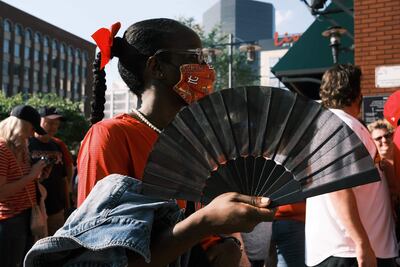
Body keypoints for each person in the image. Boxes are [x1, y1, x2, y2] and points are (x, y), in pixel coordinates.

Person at [58, 18, 274, 266]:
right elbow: (104, 255)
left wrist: (222, 243)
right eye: (195, 58)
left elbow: (187, 222)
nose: (206, 68)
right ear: (157, 67)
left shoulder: (188, 140)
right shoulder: (110, 136)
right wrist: (207, 221)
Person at [305, 64, 398, 267]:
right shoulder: (339, 125)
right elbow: (338, 187)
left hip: (355, 250)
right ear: (356, 94)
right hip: (349, 252)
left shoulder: (338, 124)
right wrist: (361, 242)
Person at [0, 105, 47, 267]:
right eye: (32, 128)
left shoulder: (21, 148)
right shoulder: (2, 149)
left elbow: (22, 180)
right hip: (10, 220)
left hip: (27, 216)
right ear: (21, 126)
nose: (32, 134)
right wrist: (31, 176)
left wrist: (36, 178)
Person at [28, 106, 68, 235]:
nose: (53, 127)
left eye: (56, 124)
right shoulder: (27, 143)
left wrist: (67, 202)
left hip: (56, 209)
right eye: (49, 122)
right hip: (33, 208)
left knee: (54, 249)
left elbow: (63, 178)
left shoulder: (57, 146)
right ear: (38, 121)